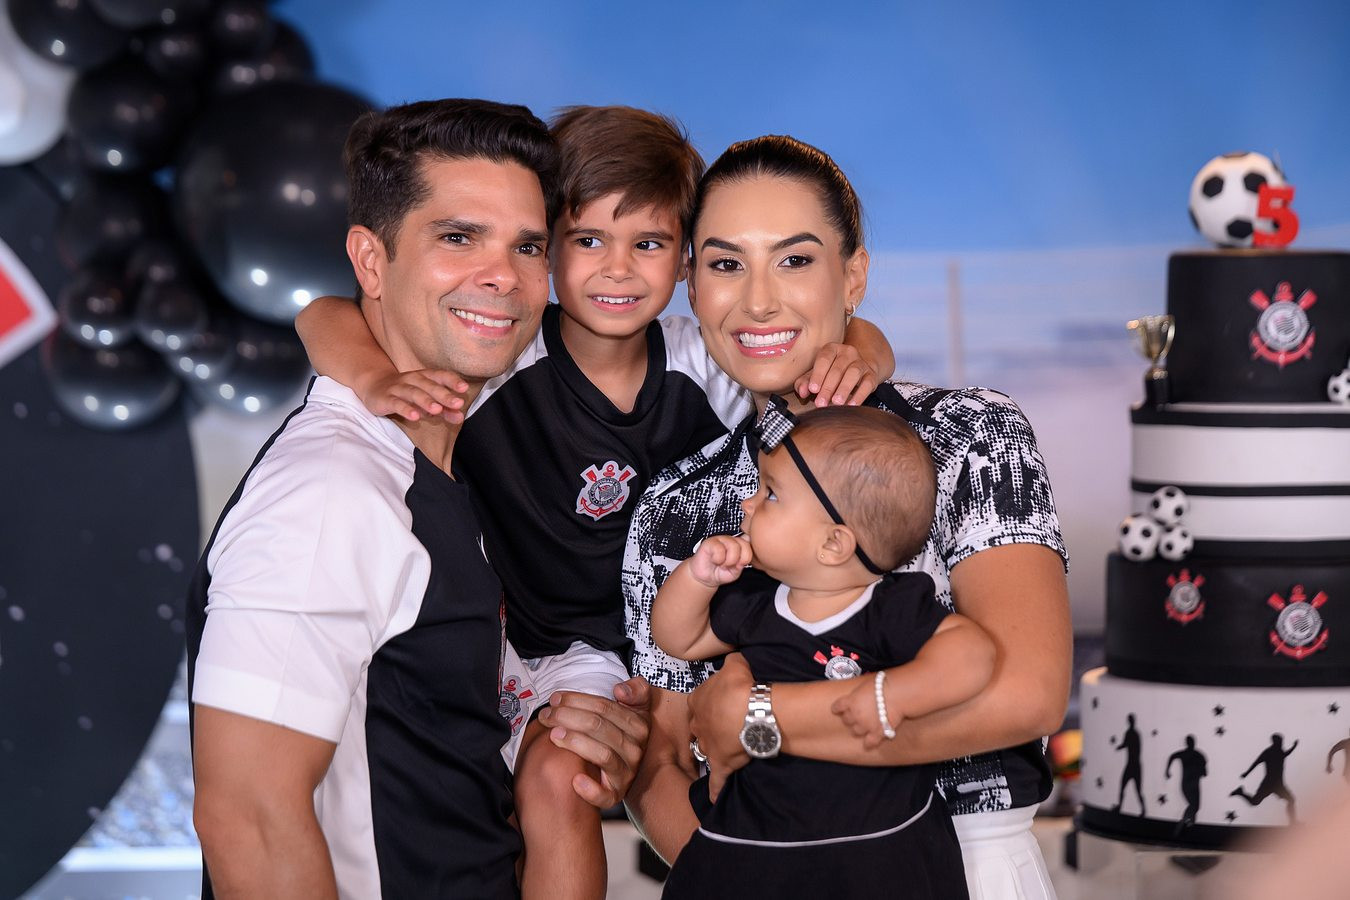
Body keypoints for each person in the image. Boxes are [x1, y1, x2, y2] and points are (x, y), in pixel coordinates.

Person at [294, 106, 896, 899]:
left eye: (647, 244)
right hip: (519, 642)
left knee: (617, 782)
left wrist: (861, 355)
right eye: (586, 241)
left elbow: (848, 337)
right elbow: (322, 315)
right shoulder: (502, 356)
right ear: (546, 246)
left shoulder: (704, 362)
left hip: (653, 649)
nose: (618, 269)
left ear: (685, 263)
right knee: (522, 801)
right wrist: (377, 380)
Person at [187, 99, 651, 900]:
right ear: (370, 262)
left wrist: (561, 722)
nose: (502, 275)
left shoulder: (434, 474)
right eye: (458, 237)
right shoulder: (331, 488)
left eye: (527, 246)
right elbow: (248, 817)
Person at [622, 134, 1072, 900]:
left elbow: (1026, 693)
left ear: (853, 275)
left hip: (969, 864)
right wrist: (736, 868)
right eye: (726, 265)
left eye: (795, 260)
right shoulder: (676, 505)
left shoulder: (968, 436)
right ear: (691, 286)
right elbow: (659, 757)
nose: (758, 300)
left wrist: (763, 719)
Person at [651, 403, 994, 897]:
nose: (747, 502)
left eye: (770, 493)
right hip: (757, 839)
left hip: (874, 848)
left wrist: (894, 693)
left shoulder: (888, 608)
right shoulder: (757, 601)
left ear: (833, 544)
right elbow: (678, 639)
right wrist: (698, 577)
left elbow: (972, 652)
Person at [1231, 733, 1299, 824]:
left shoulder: (1280, 751)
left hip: (1278, 785)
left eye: (1282, 741)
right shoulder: (1268, 752)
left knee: (1291, 800)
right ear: (1275, 742)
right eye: (1280, 741)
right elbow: (1256, 762)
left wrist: (1294, 746)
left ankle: (1293, 822)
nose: (1282, 743)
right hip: (1268, 784)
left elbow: (1287, 753)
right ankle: (1241, 792)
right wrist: (1247, 773)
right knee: (1255, 802)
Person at [1165, 734, 1206, 831]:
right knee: (1194, 806)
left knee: (1195, 806)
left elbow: (1204, 771)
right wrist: (1167, 770)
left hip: (1194, 784)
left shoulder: (1198, 755)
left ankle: (1189, 824)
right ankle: (1184, 822)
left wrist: (1167, 770)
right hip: (1188, 784)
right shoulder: (1188, 754)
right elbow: (1172, 756)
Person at [1111, 713, 1145, 816]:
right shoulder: (1132, 733)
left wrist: (1119, 747)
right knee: (1124, 786)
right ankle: (1120, 807)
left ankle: (1143, 809)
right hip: (1132, 764)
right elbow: (1126, 744)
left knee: (1136, 790)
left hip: (1133, 765)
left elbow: (1126, 744)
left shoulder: (1132, 733)